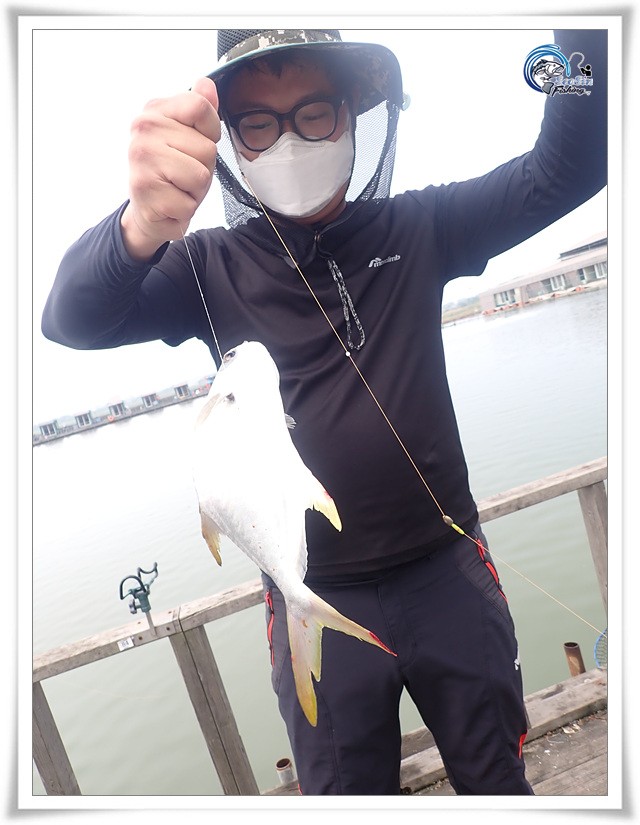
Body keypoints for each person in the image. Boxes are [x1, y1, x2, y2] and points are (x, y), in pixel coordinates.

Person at [42, 28, 607, 795]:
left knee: (497, 780)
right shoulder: (207, 267)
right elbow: (72, 318)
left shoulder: (422, 225)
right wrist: (137, 227)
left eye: (313, 114)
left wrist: (584, 32)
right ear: (233, 145)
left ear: (351, 117)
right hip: (311, 589)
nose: (290, 141)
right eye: (259, 124)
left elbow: (571, 166)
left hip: (447, 571)